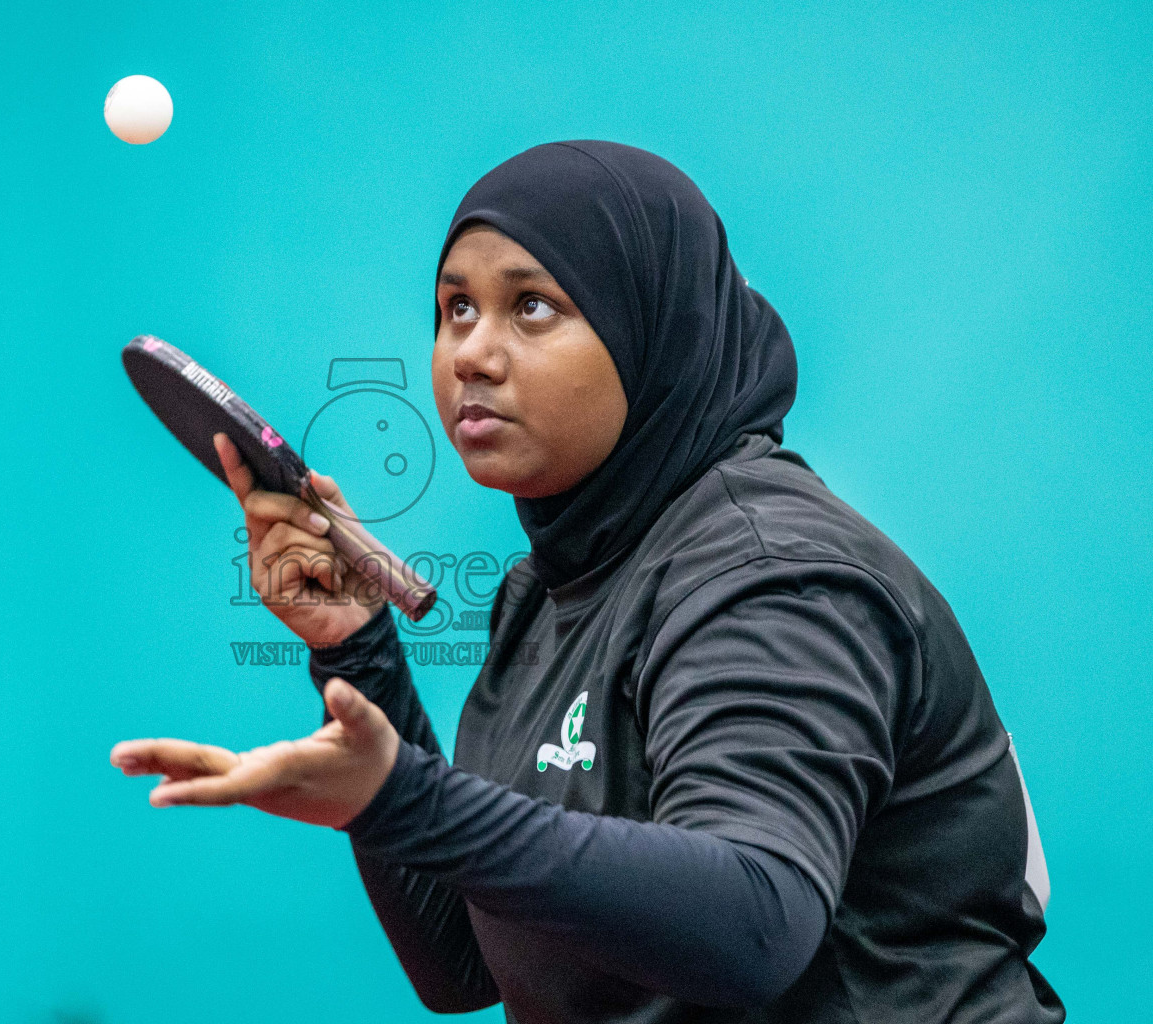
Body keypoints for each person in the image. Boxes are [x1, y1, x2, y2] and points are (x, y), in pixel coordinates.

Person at [111, 141, 1064, 1023]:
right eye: (455, 309)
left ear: (650, 325)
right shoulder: (552, 591)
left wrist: (404, 796)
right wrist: (354, 644)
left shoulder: (773, 578)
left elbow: (756, 922)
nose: (472, 354)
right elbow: (462, 962)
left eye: (533, 307)